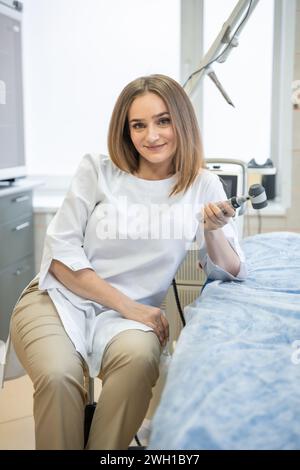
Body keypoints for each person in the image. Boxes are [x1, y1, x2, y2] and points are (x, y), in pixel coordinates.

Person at [6, 74, 246, 450]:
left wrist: (213, 229)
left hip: (127, 319)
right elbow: (59, 258)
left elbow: (230, 270)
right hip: (56, 299)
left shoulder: (202, 185)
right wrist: (130, 306)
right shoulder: (98, 171)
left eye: (163, 121)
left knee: (138, 362)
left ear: (182, 122)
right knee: (58, 375)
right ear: (126, 130)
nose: (151, 135)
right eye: (139, 125)